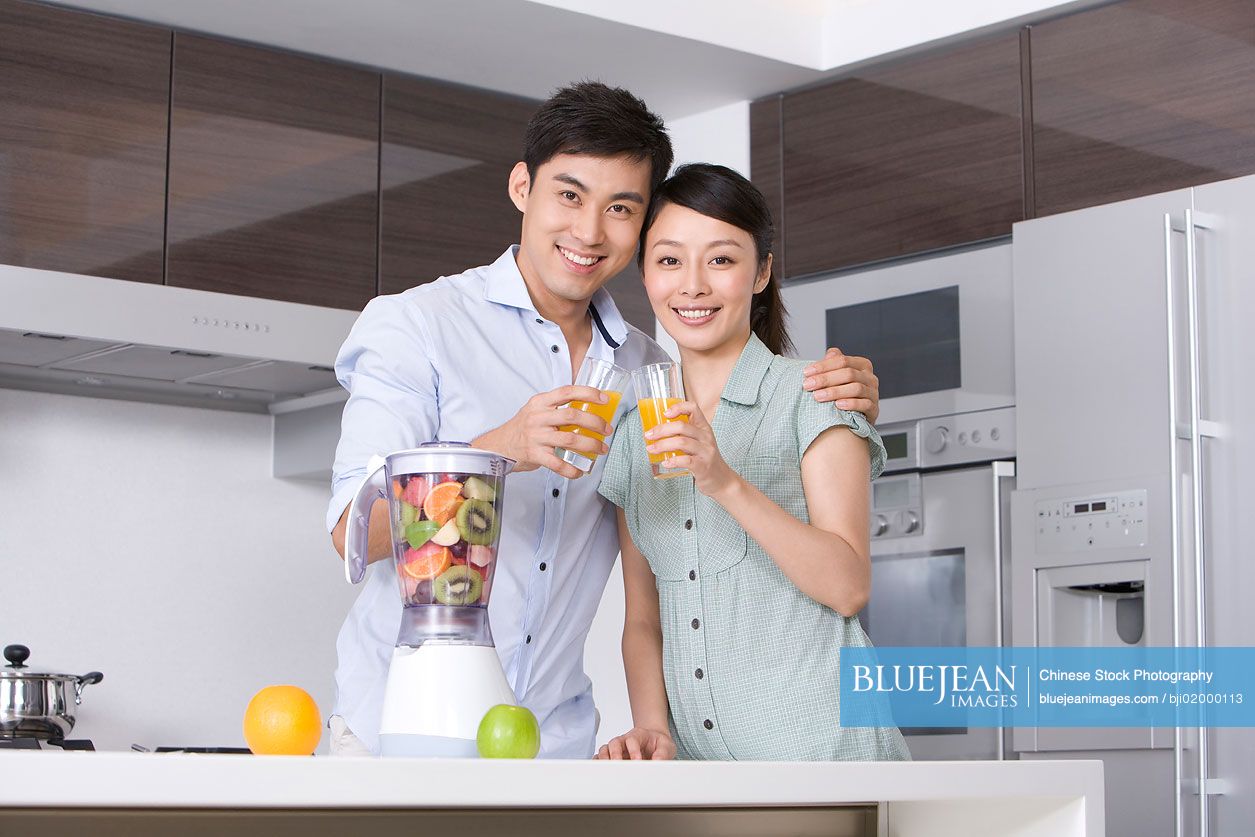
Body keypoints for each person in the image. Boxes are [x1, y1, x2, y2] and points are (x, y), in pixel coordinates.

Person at [326, 83, 882, 758]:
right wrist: (500, 450)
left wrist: (837, 398)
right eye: (568, 194)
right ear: (521, 187)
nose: (589, 232)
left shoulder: (648, 374)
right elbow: (354, 532)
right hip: (405, 727)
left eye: (619, 208)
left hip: (553, 743)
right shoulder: (418, 325)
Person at [594, 163, 908, 761]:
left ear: (761, 271)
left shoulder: (812, 397)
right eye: (668, 260)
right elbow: (643, 620)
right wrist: (653, 729)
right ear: (645, 274)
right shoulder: (635, 431)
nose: (692, 286)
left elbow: (848, 586)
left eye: (720, 260)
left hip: (824, 755)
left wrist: (725, 482)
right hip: (705, 775)